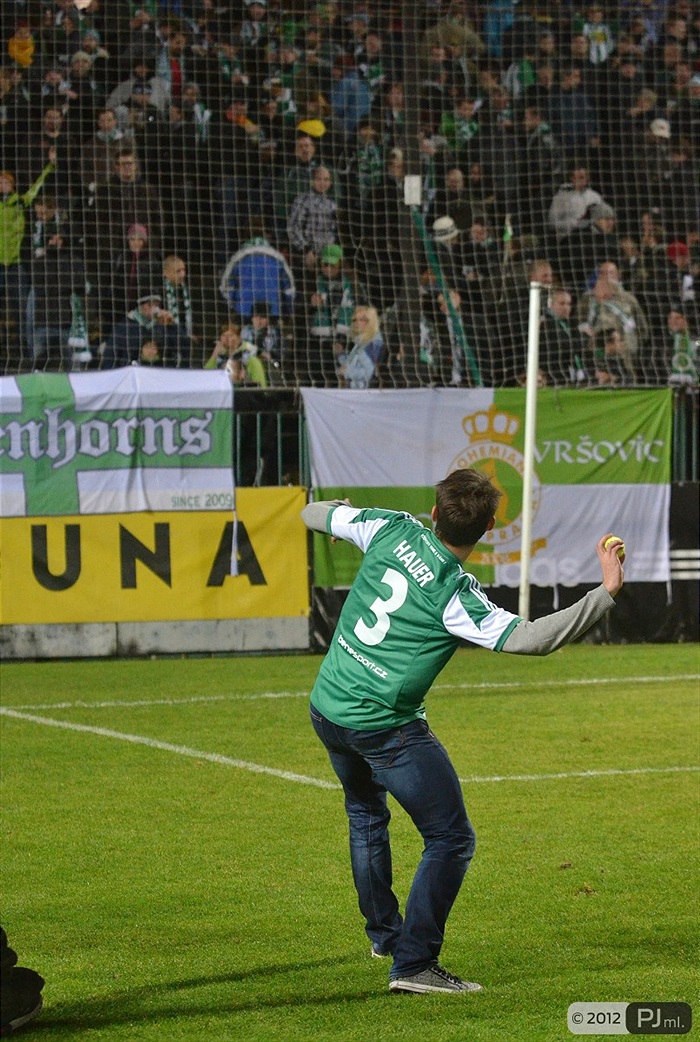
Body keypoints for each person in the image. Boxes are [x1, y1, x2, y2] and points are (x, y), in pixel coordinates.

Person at [301, 467, 625, 994]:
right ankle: (413, 965)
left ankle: (386, 935)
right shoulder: (455, 593)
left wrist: (333, 513)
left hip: (327, 710)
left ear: (433, 512)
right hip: (384, 728)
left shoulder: (390, 527)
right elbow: (532, 638)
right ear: (490, 528)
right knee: (451, 838)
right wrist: (605, 592)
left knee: (365, 816)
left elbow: (311, 513)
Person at [337, 305, 384, 388]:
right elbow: (353, 363)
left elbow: (370, 373)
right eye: (354, 320)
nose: (356, 323)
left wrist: (347, 372)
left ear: (371, 321)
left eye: (362, 319)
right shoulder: (360, 341)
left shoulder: (373, 344)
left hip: (364, 394)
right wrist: (340, 355)